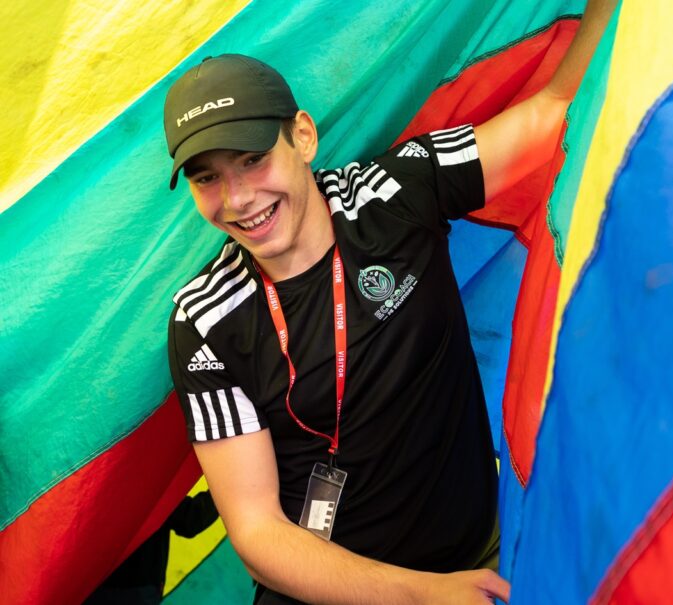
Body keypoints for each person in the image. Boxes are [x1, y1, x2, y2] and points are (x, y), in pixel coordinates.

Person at [164, 2, 614, 603]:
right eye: (207, 178)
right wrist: (423, 595)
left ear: (301, 136)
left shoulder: (390, 194)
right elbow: (258, 531)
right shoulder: (204, 321)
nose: (239, 198)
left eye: (252, 159)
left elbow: (552, 111)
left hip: (479, 561)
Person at [85, 492, 219, 604]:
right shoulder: (150, 482)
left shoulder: (87, 472)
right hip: (137, 588)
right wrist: (229, 481)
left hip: (89, 585)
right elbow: (190, 520)